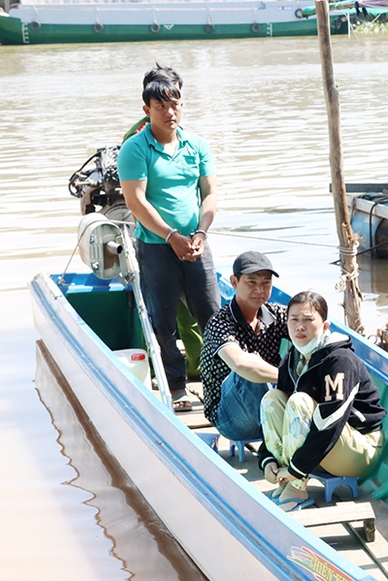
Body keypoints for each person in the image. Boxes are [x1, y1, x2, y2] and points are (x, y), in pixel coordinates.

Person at [118, 64, 220, 412]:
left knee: (214, 318)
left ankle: (217, 384)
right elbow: (136, 201)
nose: (169, 112)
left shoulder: (197, 145)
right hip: (157, 247)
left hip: (196, 244)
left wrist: (201, 232)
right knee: (164, 324)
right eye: (160, 106)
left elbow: (210, 194)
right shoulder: (135, 149)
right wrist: (171, 235)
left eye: (175, 104)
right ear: (146, 110)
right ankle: (176, 387)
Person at [258, 291, 386, 511]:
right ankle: (284, 480)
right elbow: (282, 417)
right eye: (294, 319)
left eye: (308, 320)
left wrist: (296, 469)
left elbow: (331, 422)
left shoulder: (339, 360)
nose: (300, 326)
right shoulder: (291, 359)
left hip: (360, 448)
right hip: (323, 448)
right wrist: (268, 459)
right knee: (272, 399)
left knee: (300, 402)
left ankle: (296, 487)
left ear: (325, 326)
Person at [199, 251, 288, 441]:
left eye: (266, 282)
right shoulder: (220, 322)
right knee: (248, 366)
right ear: (234, 282)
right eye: (252, 282)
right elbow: (240, 364)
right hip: (231, 419)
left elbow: (307, 326)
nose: (260, 289)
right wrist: (292, 378)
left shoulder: (277, 315)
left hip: (269, 408)